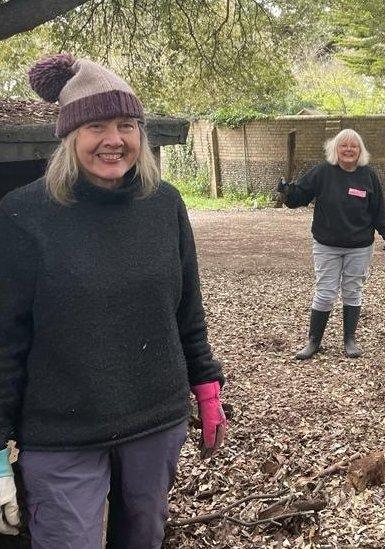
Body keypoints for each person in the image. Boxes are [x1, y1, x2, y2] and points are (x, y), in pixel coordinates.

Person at [0, 53, 228, 547]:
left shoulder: (164, 204)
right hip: (61, 431)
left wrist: (206, 385)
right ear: (68, 137)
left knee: (143, 537)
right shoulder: (23, 215)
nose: (114, 139)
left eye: (127, 124)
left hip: (154, 419)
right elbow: (5, 336)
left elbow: (186, 307)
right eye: (96, 125)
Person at [278, 129, 385, 360]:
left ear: (360, 150)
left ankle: (349, 339)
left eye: (354, 146)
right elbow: (299, 196)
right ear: (335, 149)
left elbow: (379, 210)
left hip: (360, 245)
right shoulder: (323, 172)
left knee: (353, 290)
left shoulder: (368, 176)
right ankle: (313, 341)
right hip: (327, 244)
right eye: (344, 146)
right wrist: (287, 191)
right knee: (325, 292)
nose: (349, 150)